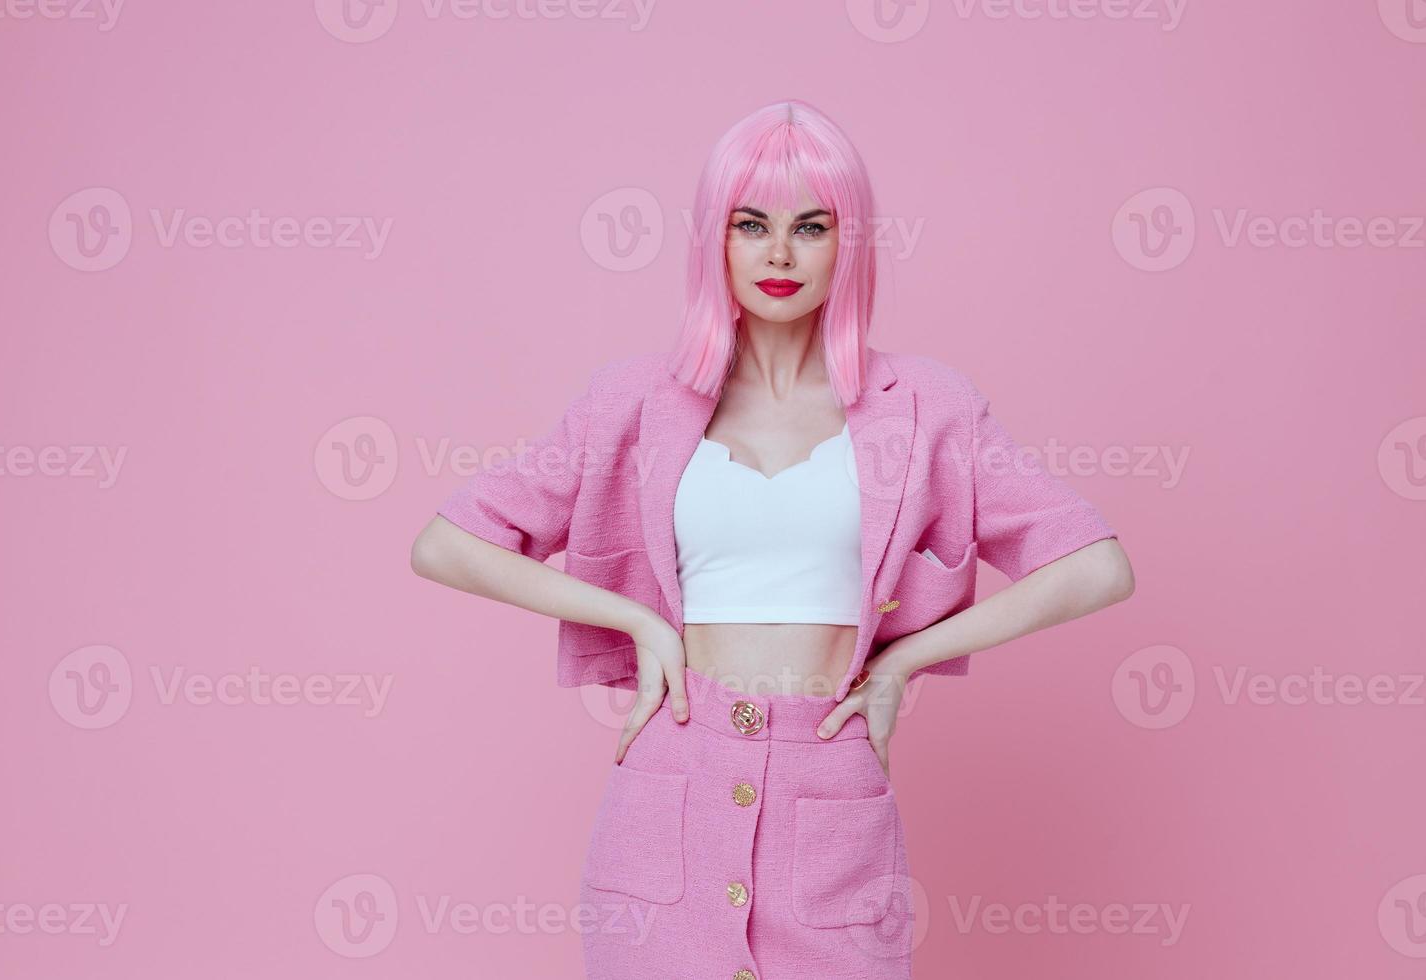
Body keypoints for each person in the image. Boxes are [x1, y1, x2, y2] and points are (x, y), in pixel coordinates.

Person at [411, 98, 1135, 979]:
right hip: (669, 787)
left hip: (832, 793)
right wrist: (638, 623)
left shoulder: (930, 406)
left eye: (811, 226)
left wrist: (905, 661)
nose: (780, 254)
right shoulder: (635, 401)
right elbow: (446, 544)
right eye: (750, 225)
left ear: (849, 241)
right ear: (714, 240)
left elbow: (1097, 567)